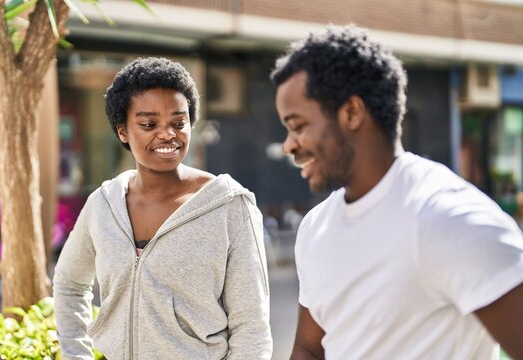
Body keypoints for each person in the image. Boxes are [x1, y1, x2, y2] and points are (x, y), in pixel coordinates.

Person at [271, 25, 523, 359]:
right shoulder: (316, 226)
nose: (288, 145)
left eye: (297, 126)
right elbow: (308, 349)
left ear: (351, 112)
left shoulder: (447, 217)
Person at [53, 57, 272, 360]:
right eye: (148, 124)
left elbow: (252, 326)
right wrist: (76, 354)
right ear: (122, 132)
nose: (168, 133)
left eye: (178, 123)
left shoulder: (229, 207)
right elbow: (69, 283)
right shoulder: (104, 204)